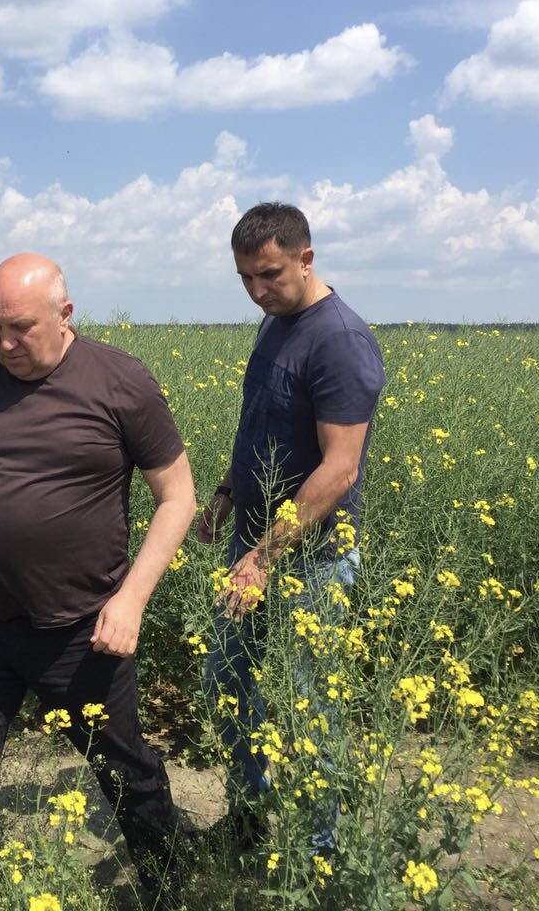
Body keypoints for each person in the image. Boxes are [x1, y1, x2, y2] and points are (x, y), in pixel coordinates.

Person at [0, 252, 198, 904]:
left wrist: (131, 600)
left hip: (83, 630)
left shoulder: (120, 382)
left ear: (65, 314)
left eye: (20, 328)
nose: (4, 343)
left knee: (126, 775)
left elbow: (178, 498)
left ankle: (168, 889)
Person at [195, 202, 386, 852]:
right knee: (226, 681)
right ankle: (250, 817)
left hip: (313, 557)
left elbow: (340, 468)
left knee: (309, 704)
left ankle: (317, 851)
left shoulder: (340, 340)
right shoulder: (275, 323)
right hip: (251, 544)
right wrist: (226, 493)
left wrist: (263, 557)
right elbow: (261, 423)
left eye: (270, 274)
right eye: (245, 277)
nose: (257, 290)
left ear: (306, 259)